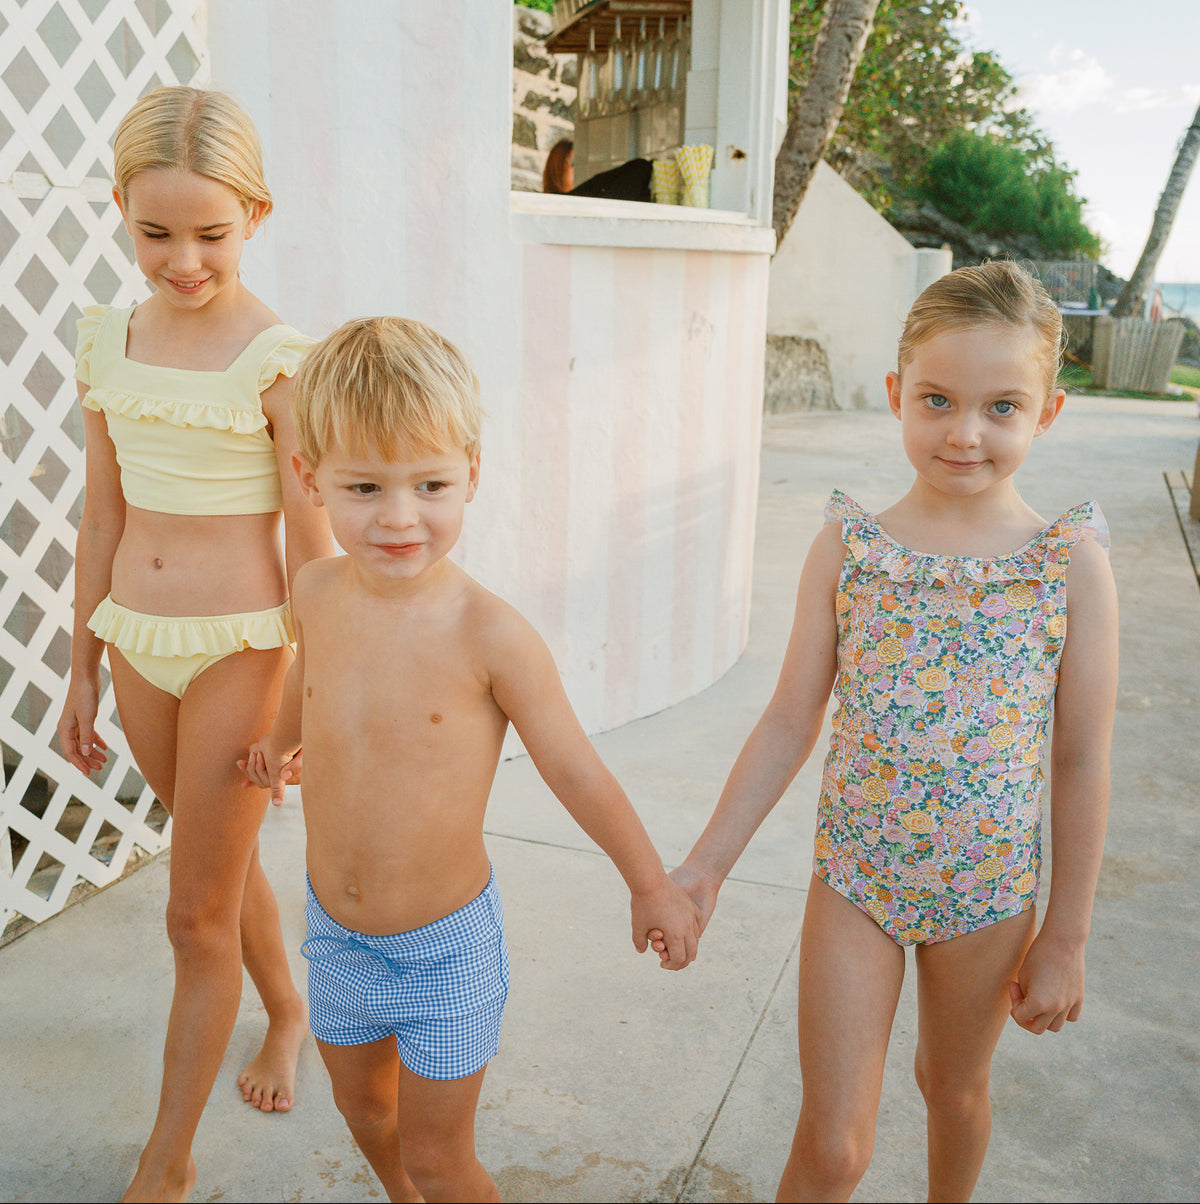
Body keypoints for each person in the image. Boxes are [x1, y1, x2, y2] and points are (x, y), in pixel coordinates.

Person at [656, 260, 1118, 1202]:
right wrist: (704, 867)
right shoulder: (850, 547)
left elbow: (1079, 758)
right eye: (939, 399)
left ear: (1049, 412)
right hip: (857, 880)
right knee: (834, 1148)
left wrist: (1066, 934)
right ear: (895, 394)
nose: (964, 433)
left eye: (1001, 407)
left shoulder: (1068, 566)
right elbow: (790, 719)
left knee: (951, 1092)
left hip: (988, 896)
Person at [239, 315, 701, 1202]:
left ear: (473, 476)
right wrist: (278, 743)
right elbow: (309, 678)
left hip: (445, 950)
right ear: (311, 479)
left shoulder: (491, 635)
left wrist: (650, 883)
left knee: (440, 1157)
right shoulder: (318, 592)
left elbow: (574, 768)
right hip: (335, 934)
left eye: (431, 484)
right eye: (365, 487)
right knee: (367, 1117)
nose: (400, 517)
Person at [56, 86, 334, 1201]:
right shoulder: (105, 338)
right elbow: (101, 516)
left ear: (256, 214)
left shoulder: (278, 361)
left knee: (191, 909)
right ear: (122, 207)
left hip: (239, 653)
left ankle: (163, 1166)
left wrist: (306, 700)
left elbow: (312, 549)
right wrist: (79, 663)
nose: (181, 260)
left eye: (210, 235)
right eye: (154, 232)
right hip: (134, 642)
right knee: (220, 866)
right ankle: (290, 1014)